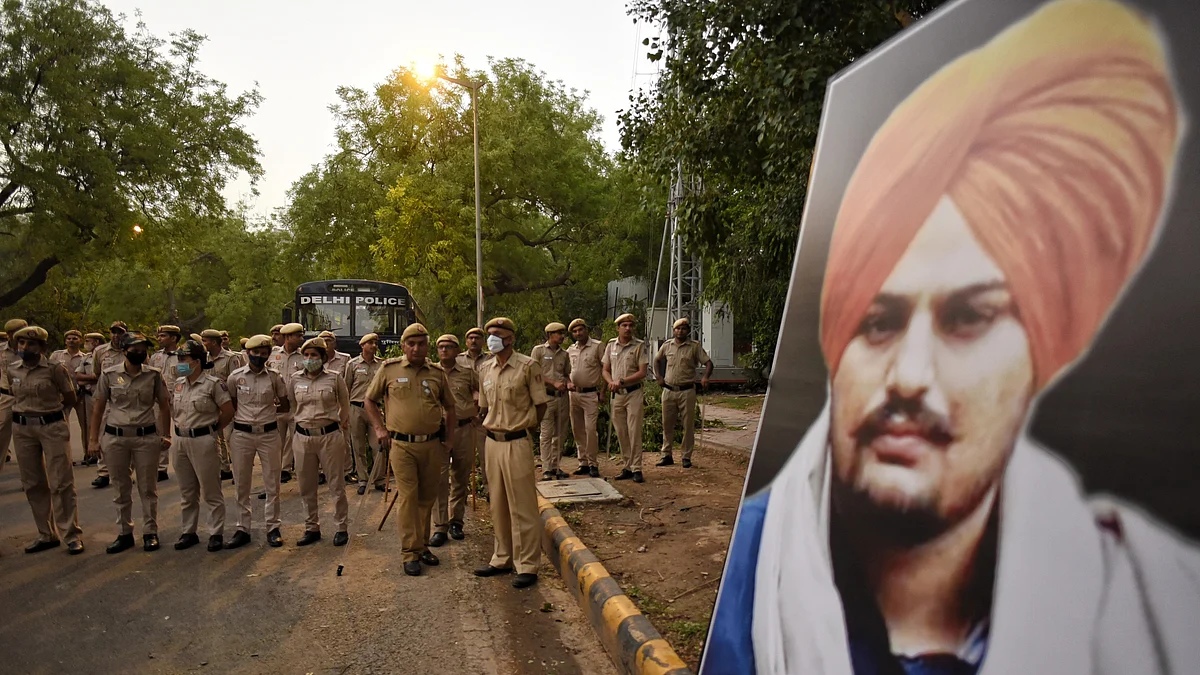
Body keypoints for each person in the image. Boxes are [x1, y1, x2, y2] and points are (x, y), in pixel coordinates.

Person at [705, 3, 1200, 673]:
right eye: (877, 321)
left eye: (968, 319)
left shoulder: (1152, 608)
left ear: (1046, 351)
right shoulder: (756, 575)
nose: (909, 375)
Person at [365, 324, 456, 575]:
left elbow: (450, 407)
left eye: (421, 343)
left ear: (428, 346)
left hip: (432, 444)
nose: (416, 348)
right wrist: (380, 429)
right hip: (401, 445)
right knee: (408, 497)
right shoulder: (389, 369)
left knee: (427, 497)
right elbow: (369, 400)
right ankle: (409, 552)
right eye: (411, 344)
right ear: (403, 346)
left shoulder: (437, 373)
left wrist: (449, 439)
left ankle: (422, 545)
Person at [473, 317, 550, 589]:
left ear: (511, 338)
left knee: (523, 505)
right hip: (492, 442)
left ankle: (527, 564)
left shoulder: (528, 366)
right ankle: (502, 557)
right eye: (489, 333)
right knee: (498, 503)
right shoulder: (485, 369)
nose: (491, 338)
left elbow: (540, 405)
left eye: (497, 333)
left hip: (517, 440)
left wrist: (525, 424)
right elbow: (484, 406)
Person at [4, 325, 85, 554]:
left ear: (42, 347)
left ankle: (70, 534)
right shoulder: (13, 370)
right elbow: (12, 394)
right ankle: (46, 533)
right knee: (33, 483)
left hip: (51, 427)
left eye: (30, 344)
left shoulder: (54, 369)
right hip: (23, 430)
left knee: (61, 482)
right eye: (21, 343)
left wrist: (53, 416)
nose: (24, 347)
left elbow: (70, 397)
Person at [89, 332, 172, 554]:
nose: (140, 353)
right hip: (115, 437)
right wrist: (93, 440)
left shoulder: (154, 375)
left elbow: (164, 405)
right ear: (124, 350)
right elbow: (97, 409)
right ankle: (124, 532)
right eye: (135, 349)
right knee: (120, 487)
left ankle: (150, 532)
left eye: (143, 349)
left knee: (148, 487)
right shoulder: (108, 375)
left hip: (145, 437)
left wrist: (166, 434)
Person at [168, 340, 233, 552]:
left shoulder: (213, 384)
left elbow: (228, 411)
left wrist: (213, 430)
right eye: (179, 359)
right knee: (187, 491)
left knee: (211, 490)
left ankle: (216, 533)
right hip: (180, 440)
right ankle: (189, 531)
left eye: (184, 359)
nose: (180, 363)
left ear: (196, 361)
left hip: (203, 439)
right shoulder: (178, 384)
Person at [287, 337, 351, 547]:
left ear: (323, 358)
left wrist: (341, 424)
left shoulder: (334, 378)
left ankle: (341, 527)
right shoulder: (295, 379)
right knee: (306, 485)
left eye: (314, 355)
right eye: (306, 355)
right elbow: (292, 404)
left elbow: (344, 403)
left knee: (336, 484)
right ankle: (311, 527)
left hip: (330, 437)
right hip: (303, 437)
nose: (309, 359)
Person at [227, 334, 289, 548]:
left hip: (269, 434)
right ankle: (242, 528)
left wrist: (267, 413)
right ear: (247, 353)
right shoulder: (235, 377)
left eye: (264, 353)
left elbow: (284, 403)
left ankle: (273, 527)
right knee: (242, 483)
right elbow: (232, 404)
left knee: (273, 482)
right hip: (242, 434)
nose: (260, 357)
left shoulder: (274, 376)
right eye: (256, 353)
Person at [430, 333, 480, 544]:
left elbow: (480, 393)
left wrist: (477, 406)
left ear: (457, 351)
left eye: (449, 347)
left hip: (463, 428)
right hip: (437, 431)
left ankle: (456, 522)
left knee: (460, 476)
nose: (444, 350)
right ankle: (440, 526)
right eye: (441, 347)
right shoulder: (430, 372)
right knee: (439, 479)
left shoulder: (468, 373)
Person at [654, 318, 713, 469]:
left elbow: (708, 363)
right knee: (667, 424)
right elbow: (656, 360)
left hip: (687, 391)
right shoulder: (667, 345)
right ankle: (666, 454)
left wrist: (705, 377)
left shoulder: (694, 347)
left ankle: (686, 456)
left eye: (683, 329)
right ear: (673, 331)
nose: (680, 331)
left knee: (687, 425)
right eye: (677, 329)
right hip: (668, 390)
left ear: (688, 331)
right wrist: (659, 377)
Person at [601, 314, 649, 483]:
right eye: (624, 325)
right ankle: (627, 466)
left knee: (634, 431)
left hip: (633, 393)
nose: (628, 328)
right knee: (621, 431)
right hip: (617, 395)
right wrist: (610, 382)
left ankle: (637, 468)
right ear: (618, 328)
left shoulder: (639, 346)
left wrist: (621, 381)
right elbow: (605, 369)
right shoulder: (610, 345)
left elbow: (642, 372)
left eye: (630, 325)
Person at [88, 320, 130, 488]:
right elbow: (96, 373)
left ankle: (125, 470)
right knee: (103, 434)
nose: (116, 335)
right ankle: (103, 472)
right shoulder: (100, 351)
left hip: (128, 398)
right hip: (107, 397)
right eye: (113, 332)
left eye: (120, 332)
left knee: (128, 436)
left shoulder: (132, 348)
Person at [531, 322, 571, 481]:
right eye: (558, 333)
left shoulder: (565, 354)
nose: (562, 336)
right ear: (549, 335)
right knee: (546, 434)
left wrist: (568, 383)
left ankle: (556, 466)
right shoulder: (538, 351)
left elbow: (566, 373)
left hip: (562, 397)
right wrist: (552, 382)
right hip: (545, 397)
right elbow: (533, 373)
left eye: (562, 333)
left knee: (560, 433)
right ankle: (546, 468)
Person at [344, 333, 383, 494]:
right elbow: (346, 388)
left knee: (378, 445)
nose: (374, 345)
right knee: (358, 446)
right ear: (362, 346)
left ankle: (379, 480)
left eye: (375, 343)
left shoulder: (381, 365)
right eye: (370, 343)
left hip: (375, 410)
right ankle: (363, 480)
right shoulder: (352, 364)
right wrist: (345, 413)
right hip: (356, 408)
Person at [566, 318, 604, 477]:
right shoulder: (570, 350)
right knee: (577, 429)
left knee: (590, 430)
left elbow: (606, 369)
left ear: (586, 330)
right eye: (574, 331)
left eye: (580, 330)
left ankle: (593, 463)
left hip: (590, 394)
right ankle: (583, 463)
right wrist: (568, 382)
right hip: (573, 395)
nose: (578, 333)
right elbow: (565, 371)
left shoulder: (597, 346)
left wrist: (603, 391)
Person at [268, 322, 305, 483]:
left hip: (297, 405)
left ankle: (287, 468)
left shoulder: (304, 356)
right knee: (276, 441)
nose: (301, 338)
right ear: (288, 337)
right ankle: (275, 472)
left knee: (296, 439)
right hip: (277, 405)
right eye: (298, 336)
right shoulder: (272, 354)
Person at [200, 328, 237, 480]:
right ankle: (224, 468)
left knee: (230, 438)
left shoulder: (230, 358)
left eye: (205, 341)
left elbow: (235, 380)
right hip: (210, 403)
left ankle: (238, 470)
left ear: (214, 342)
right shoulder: (204, 358)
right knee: (216, 437)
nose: (203, 344)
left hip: (226, 402)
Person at [458, 327, 492, 487]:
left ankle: (488, 488)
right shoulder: (458, 360)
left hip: (485, 414)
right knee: (462, 457)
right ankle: (462, 490)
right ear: (466, 341)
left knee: (487, 456)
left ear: (483, 341)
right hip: (464, 417)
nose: (473, 340)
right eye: (470, 338)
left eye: (477, 338)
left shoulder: (491, 360)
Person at [149, 325, 183, 481]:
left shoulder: (182, 356)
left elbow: (187, 378)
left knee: (183, 431)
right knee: (160, 433)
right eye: (159, 336)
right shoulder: (155, 357)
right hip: (159, 399)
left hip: (179, 398)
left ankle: (185, 464)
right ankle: (161, 468)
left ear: (174, 338)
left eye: (163, 336)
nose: (159, 339)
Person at [49, 329, 89, 457]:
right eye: (69, 339)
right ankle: (64, 454)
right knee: (62, 426)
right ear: (65, 341)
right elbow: (49, 373)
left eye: (74, 338)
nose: (71, 341)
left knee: (86, 425)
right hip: (63, 396)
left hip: (80, 394)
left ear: (80, 341)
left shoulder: (85, 357)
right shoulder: (57, 355)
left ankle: (89, 453)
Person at [74, 332, 106, 466]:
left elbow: (106, 377)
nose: (85, 343)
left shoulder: (106, 355)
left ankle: (104, 456)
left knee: (104, 426)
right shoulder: (86, 357)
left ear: (97, 342)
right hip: (89, 395)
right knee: (88, 426)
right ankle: (90, 453)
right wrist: (93, 378)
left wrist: (92, 378)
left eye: (88, 340)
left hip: (105, 396)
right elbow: (78, 375)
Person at [0, 319, 26, 475]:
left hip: (27, 397)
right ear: (9, 334)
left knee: (29, 438)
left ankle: (31, 477)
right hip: (6, 396)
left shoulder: (32, 349)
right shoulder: (1, 350)